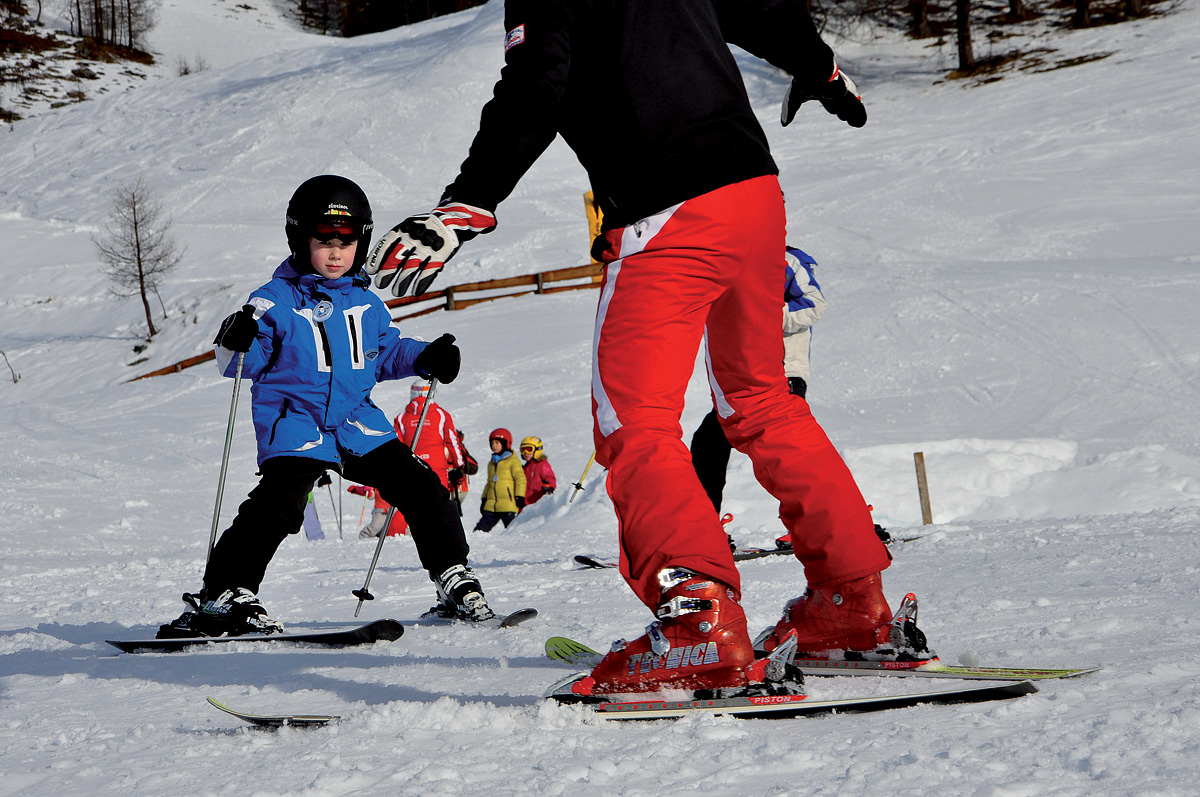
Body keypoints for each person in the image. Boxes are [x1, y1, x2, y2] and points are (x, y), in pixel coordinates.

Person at [364, 0, 929, 696]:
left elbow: (538, 82)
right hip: (753, 196)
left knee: (635, 424)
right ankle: (851, 602)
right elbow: (757, 6)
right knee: (762, 402)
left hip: (668, 210)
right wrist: (821, 66)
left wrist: (468, 202)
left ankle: (698, 623)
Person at [158, 175, 495, 639]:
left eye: (347, 242)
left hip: (357, 424)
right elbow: (240, 364)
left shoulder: (366, 303)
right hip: (296, 423)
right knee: (280, 505)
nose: (336, 253)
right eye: (324, 241)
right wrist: (235, 339)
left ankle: (452, 576)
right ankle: (224, 594)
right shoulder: (273, 301)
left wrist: (424, 357)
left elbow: (384, 352)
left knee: (421, 487)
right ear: (300, 239)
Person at [690, 246, 826, 517]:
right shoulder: (727, 258)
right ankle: (705, 528)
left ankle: (823, 522)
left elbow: (814, 304)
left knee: (788, 452)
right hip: (744, 378)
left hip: (782, 374)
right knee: (708, 443)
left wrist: (762, 313)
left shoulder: (786, 259)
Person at [359, 381, 468, 538]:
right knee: (439, 504)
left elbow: (396, 446)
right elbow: (452, 441)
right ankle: (442, 538)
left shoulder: (402, 417)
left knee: (415, 505)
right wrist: (459, 465)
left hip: (414, 468)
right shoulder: (441, 415)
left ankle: (412, 536)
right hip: (437, 467)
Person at [473, 428, 526, 532]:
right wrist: (484, 498)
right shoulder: (492, 463)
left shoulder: (513, 461)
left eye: (497, 443)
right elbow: (489, 483)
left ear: (506, 443)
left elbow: (520, 479)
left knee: (513, 531)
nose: (494, 445)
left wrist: (519, 496)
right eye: (492, 443)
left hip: (508, 504)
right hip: (492, 504)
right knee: (479, 530)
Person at [519, 436, 558, 506]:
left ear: (537, 450)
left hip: (536, 505)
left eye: (529, 449)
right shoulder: (525, 467)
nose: (525, 453)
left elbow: (549, 476)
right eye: (523, 450)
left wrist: (549, 485)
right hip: (524, 504)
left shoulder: (542, 465)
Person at [448, 429, 479, 511]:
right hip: (461, 489)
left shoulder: (444, 446)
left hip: (450, 489)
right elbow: (473, 467)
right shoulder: (460, 447)